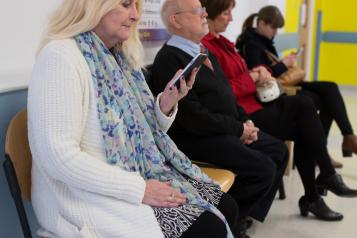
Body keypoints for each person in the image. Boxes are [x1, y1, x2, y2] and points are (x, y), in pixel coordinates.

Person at [28, 0, 241, 237]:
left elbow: (144, 132)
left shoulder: (120, 59)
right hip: (87, 199)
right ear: (93, 6)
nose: (135, 15)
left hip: (135, 177)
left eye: (137, 6)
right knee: (207, 228)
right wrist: (140, 189)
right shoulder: (60, 57)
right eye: (126, 4)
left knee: (226, 205)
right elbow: (58, 157)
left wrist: (165, 105)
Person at [200, 0, 357, 223]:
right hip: (243, 113)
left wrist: (257, 72)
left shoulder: (224, 43)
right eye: (226, 13)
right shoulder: (207, 48)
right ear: (209, 15)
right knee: (304, 105)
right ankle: (323, 180)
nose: (231, 19)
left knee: (307, 119)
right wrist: (254, 76)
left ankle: (315, 191)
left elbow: (238, 75)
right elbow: (224, 90)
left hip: (254, 104)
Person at [150, 0, 289, 236]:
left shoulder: (203, 52)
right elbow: (193, 118)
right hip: (197, 139)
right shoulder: (169, 59)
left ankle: (240, 217)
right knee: (264, 169)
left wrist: (246, 121)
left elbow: (228, 96)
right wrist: (237, 130)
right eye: (197, 11)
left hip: (224, 129)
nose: (205, 14)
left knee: (279, 151)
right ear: (176, 20)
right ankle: (232, 219)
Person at [236, 5, 357, 169]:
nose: (275, 32)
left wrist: (284, 63)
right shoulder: (251, 44)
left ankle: (343, 138)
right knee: (326, 98)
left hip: (283, 84)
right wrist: (284, 64)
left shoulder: (263, 41)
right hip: (274, 91)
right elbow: (261, 77)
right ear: (262, 23)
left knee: (330, 89)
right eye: (273, 27)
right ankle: (328, 147)